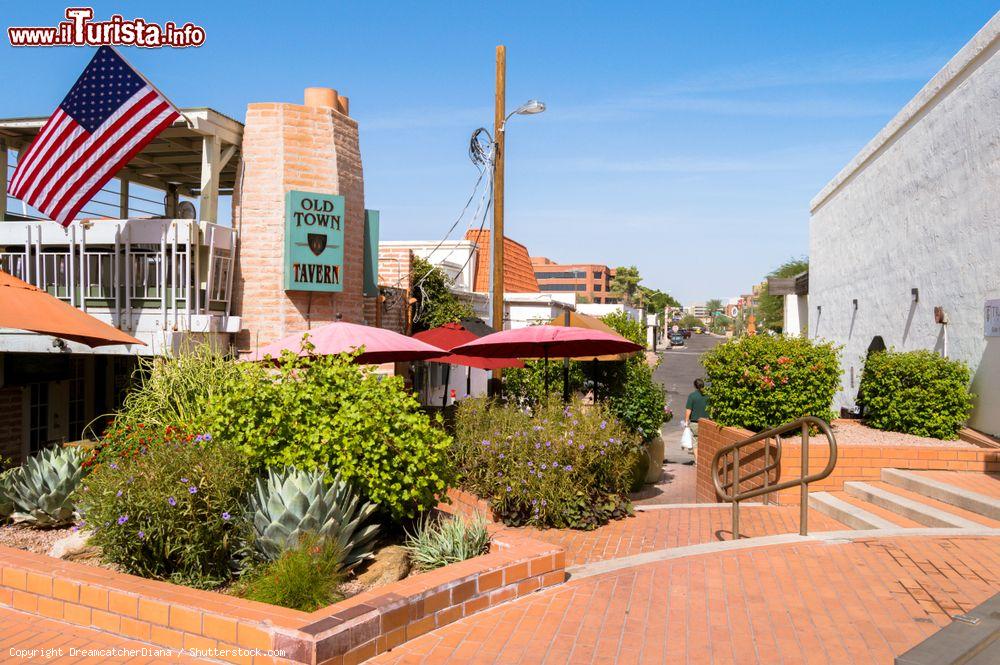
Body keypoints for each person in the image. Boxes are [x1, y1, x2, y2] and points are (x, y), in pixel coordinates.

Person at [683, 378, 709, 450]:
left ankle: (697, 460)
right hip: (707, 422)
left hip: (695, 423)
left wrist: (686, 421)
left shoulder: (692, 396)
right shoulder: (708, 395)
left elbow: (689, 409)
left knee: (695, 443)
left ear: (695, 386)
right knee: (705, 441)